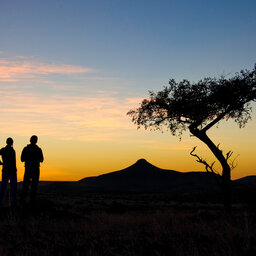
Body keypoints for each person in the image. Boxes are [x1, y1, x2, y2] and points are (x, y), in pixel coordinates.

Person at [21, 135, 44, 203]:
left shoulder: (26, 149)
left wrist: (28, 159)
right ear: (36, 141)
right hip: (35, 169)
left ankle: (24, 200)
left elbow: (22, 159)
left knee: (26, 185)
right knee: (34, 186)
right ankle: (32, 201)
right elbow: (41, 159)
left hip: (28, 169)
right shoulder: (38, 149)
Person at [0, 137, 17, 206]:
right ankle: (13, 204)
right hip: (12, 171)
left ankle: (1, 203)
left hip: (6, 171)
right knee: (13, 188)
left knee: (3, 188)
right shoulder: (12, 150)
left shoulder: (3, 150)